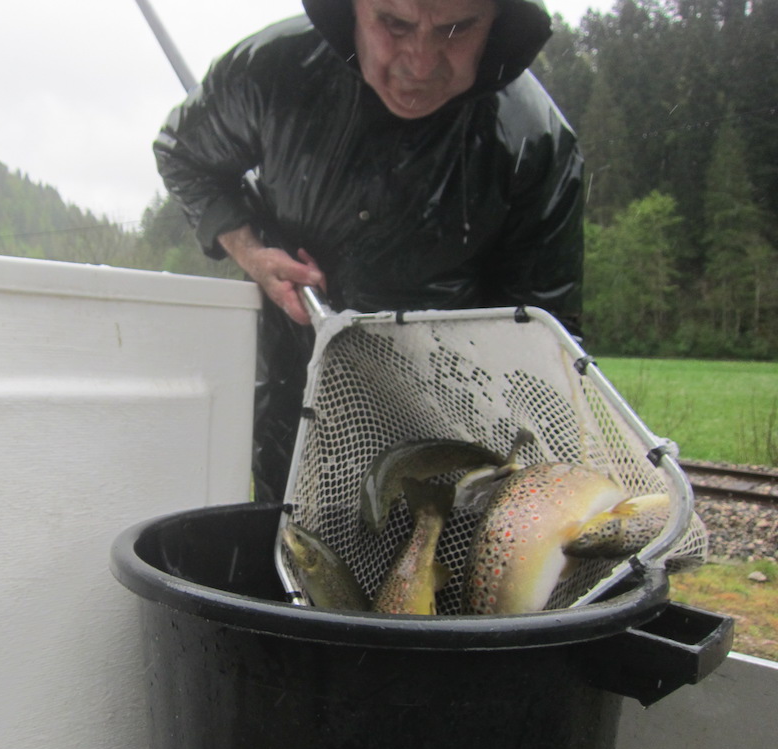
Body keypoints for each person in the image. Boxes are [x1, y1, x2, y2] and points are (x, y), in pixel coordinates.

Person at [154, 0, 584, 502]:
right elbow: (184, 155)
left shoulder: (533, 139)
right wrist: (252, 254)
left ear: (496, 22)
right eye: (395, 23)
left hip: (449, 436)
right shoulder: (275, 70)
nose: (421, 63)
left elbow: (545, 345)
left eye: (456, 29)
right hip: (295, 403)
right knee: (291, 532)